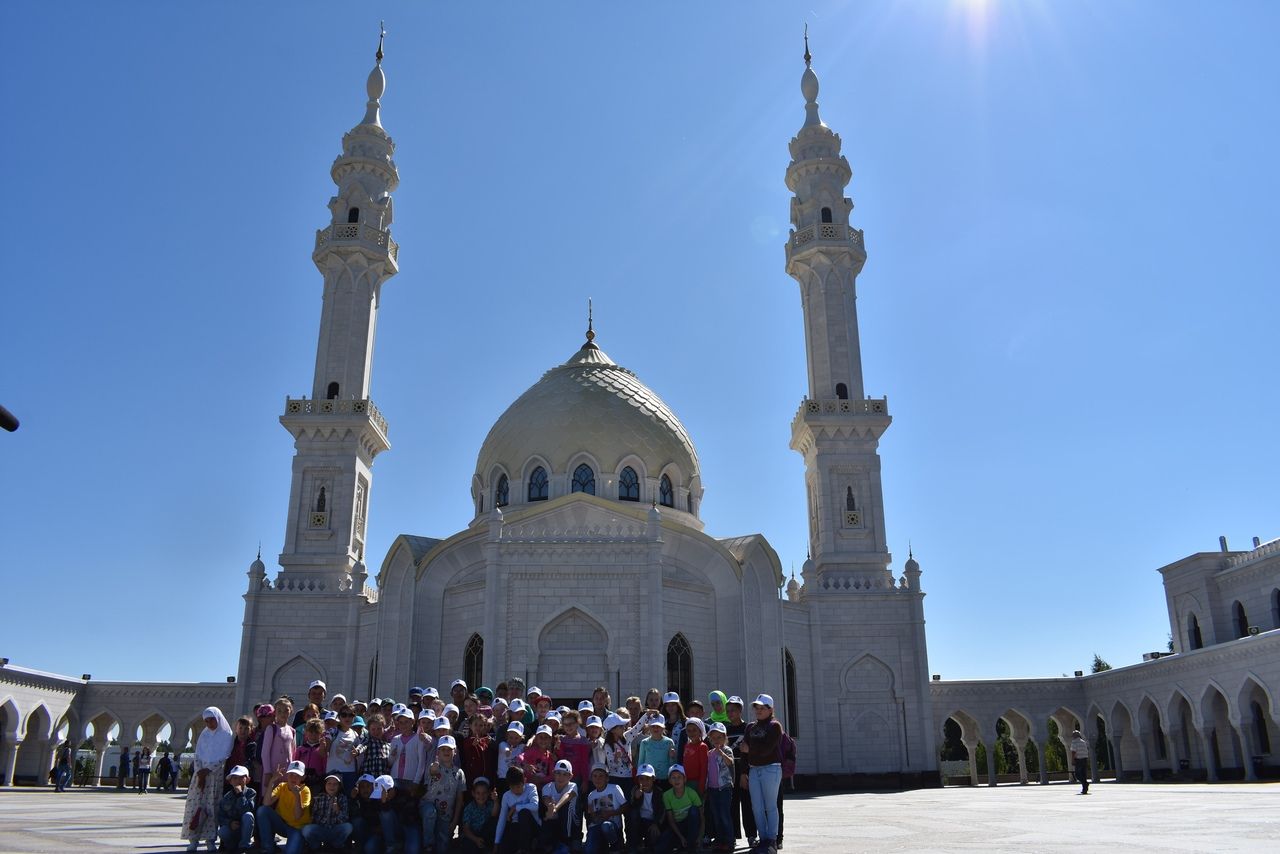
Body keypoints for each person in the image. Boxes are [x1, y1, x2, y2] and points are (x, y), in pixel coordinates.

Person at [182, 707, 234, 852]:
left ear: (218, 718)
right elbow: (197, 754)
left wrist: (208, 770)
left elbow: (224, 756)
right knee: (195, 807)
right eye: (206, 721)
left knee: (212, 808)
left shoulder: (226, 734)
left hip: (214, 777)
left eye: (211, 719)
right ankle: (193, 840)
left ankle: (210, 840)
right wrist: (200, 771)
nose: (209, 723)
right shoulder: (204, 735)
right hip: (199, 778)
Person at [740, 694, 783, 853]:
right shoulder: (750, 727)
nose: (758, 710)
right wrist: (744, 772)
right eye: (756, 707)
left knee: (770, 806)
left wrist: (750, 749)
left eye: (762, 708)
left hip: (771, 768)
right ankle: (763, 838)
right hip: (754, 769)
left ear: (770, 709)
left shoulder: (774, 726)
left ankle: (771, 839)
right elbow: (743, 752)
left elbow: (768, 748)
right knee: (756, 806)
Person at [421, 734, 466, 853]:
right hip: (428, 806)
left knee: (443, 844)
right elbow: (433, 771)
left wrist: (455, 820)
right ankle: (428, 845)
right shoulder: (434, 767)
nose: (446, 752)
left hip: (446, 814)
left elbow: (460, 799)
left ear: (454, 751)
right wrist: (434, 769)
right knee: (430, 813)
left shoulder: (459, 773)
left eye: (449, 749)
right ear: (438, 752)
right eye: (443, 749)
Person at [256, 760, 311, 854]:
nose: (293, 778)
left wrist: (297, 796)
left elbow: (298, 816)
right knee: (262, 810)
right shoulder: (282, 786)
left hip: (297, 828)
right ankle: (268, 848)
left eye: (297, 775)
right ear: (287, 775)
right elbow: (266, 803)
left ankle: (303, 843)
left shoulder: (305, 790)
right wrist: (272, 781)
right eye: (291, 774)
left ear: (303, 777)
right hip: (283, 825)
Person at [302, 772, 354, 851]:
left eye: (335, 784)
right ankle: (315, 846)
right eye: (329, 783)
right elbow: (313, 816)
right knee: (307, 829)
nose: (331, 786)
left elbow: (345, 819)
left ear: (339, 786)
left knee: (348, 827)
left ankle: (336, 845)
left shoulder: (343, 798)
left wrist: (337, 810)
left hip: (334, 830)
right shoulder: (319, 797)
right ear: (325, 785)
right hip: (321, 829)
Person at [494, 765, 540, 853]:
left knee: (523, 813)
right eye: (512, 788)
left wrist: (516, 807)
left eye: (518, 786)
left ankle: (524, 849)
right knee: (504, 847)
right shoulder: (506, 796)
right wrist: (496, 843)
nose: (515, 790)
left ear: (524, 781)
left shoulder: (531, 788)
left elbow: (535, 806)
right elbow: (502, 819)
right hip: (517, 827)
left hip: (533, 826)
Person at [704, 723, 735, 853]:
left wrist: (721, 753)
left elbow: (730, 762)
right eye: (714, 738)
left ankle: (729, 840)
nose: (717, 741)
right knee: (716, 816)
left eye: (719, 737)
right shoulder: (709, 753)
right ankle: (720, 840)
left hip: (724, 788)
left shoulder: (727, 750)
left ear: (725, 738)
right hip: (712, 789)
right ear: (710, 739)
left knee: (724, 815)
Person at [657, 765, 702, 854]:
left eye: (679, 777)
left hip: (691, 826)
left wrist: (699, 837)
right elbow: (671, 820)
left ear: (684, 779)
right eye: (673, 777)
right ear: (669, 780)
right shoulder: (666, 795)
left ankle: (691, 846)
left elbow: (702, 818)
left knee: (693, 810)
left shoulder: (692, 793)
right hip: (677, 827)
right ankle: (681, 843)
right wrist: (681, 837)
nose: (676, 780)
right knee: (659, 848)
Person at [583, 766, 626, 854]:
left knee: (606, 826)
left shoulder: (615, 788)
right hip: (598, 826)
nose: (597, 779)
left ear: (607, 778)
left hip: (613, 826)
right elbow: (593, 817)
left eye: (601, 776)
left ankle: (615, 846)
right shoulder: (591, 795)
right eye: (594, 776)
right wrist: (595, 816)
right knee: (589, 850)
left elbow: (625, 807)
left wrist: (611, 813)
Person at [539, 758, 578, 853]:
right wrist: (550, 807)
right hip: (552, 817)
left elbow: (568, 795)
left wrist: (555, 808)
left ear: (571, 776)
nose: (561, 777)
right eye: (558, 773)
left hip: (571, 822)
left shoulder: (573, 785)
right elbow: (546, 798)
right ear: (553, 774)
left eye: (565, 774)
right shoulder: (547, 786)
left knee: (567, 807)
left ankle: (567, 841)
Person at [217, 764, 257, 854]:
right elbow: (220, 817)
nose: (238, 781)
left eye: (241, 778)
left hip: (246, 829)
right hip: (233, 828)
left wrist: (240, 795)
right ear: (230, 781)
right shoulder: (226, 797)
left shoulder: (251, 793)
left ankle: (244, 847)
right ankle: (231, 846)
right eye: (234, 778)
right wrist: (230, 823)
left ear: (247, 779)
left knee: (248, 815)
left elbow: (247, 809)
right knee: (222, 832)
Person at [628, 764, 665, 850]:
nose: (644, 782)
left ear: (653, 779)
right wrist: (636, 798)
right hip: (639, 822)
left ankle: (648, 845)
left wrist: (656, 823)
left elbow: (662, 810)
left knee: (653, 841)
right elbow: (630, 809)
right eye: (641, 779)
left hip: (652, 822)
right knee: (633, 815)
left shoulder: (659, 792)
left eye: (648, 779)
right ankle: (634, 845)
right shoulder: (635, 790)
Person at [457, 776, 499, 853]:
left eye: (484, 793)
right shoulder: (469, 808)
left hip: (485, 835)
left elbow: (494, 815)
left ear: (489, 793)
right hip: (472, 836)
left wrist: (496, 801)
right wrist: (476, 839)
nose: (481, 796)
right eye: (478, 793)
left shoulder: (490, 804)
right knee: (468, 845)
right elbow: (466, 829)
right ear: (473, 793)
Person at [1070, 729, 1091, 794]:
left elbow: (1073, 752)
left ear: (1074, 736)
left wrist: (1072, 760)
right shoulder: (1083, 742)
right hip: (1084, 759)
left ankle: (1085, 783)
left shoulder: (1074, 742)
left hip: (1079, 760)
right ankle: (1084, 789)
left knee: (1077, 775)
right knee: (1083, 775)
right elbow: (1086, 751)